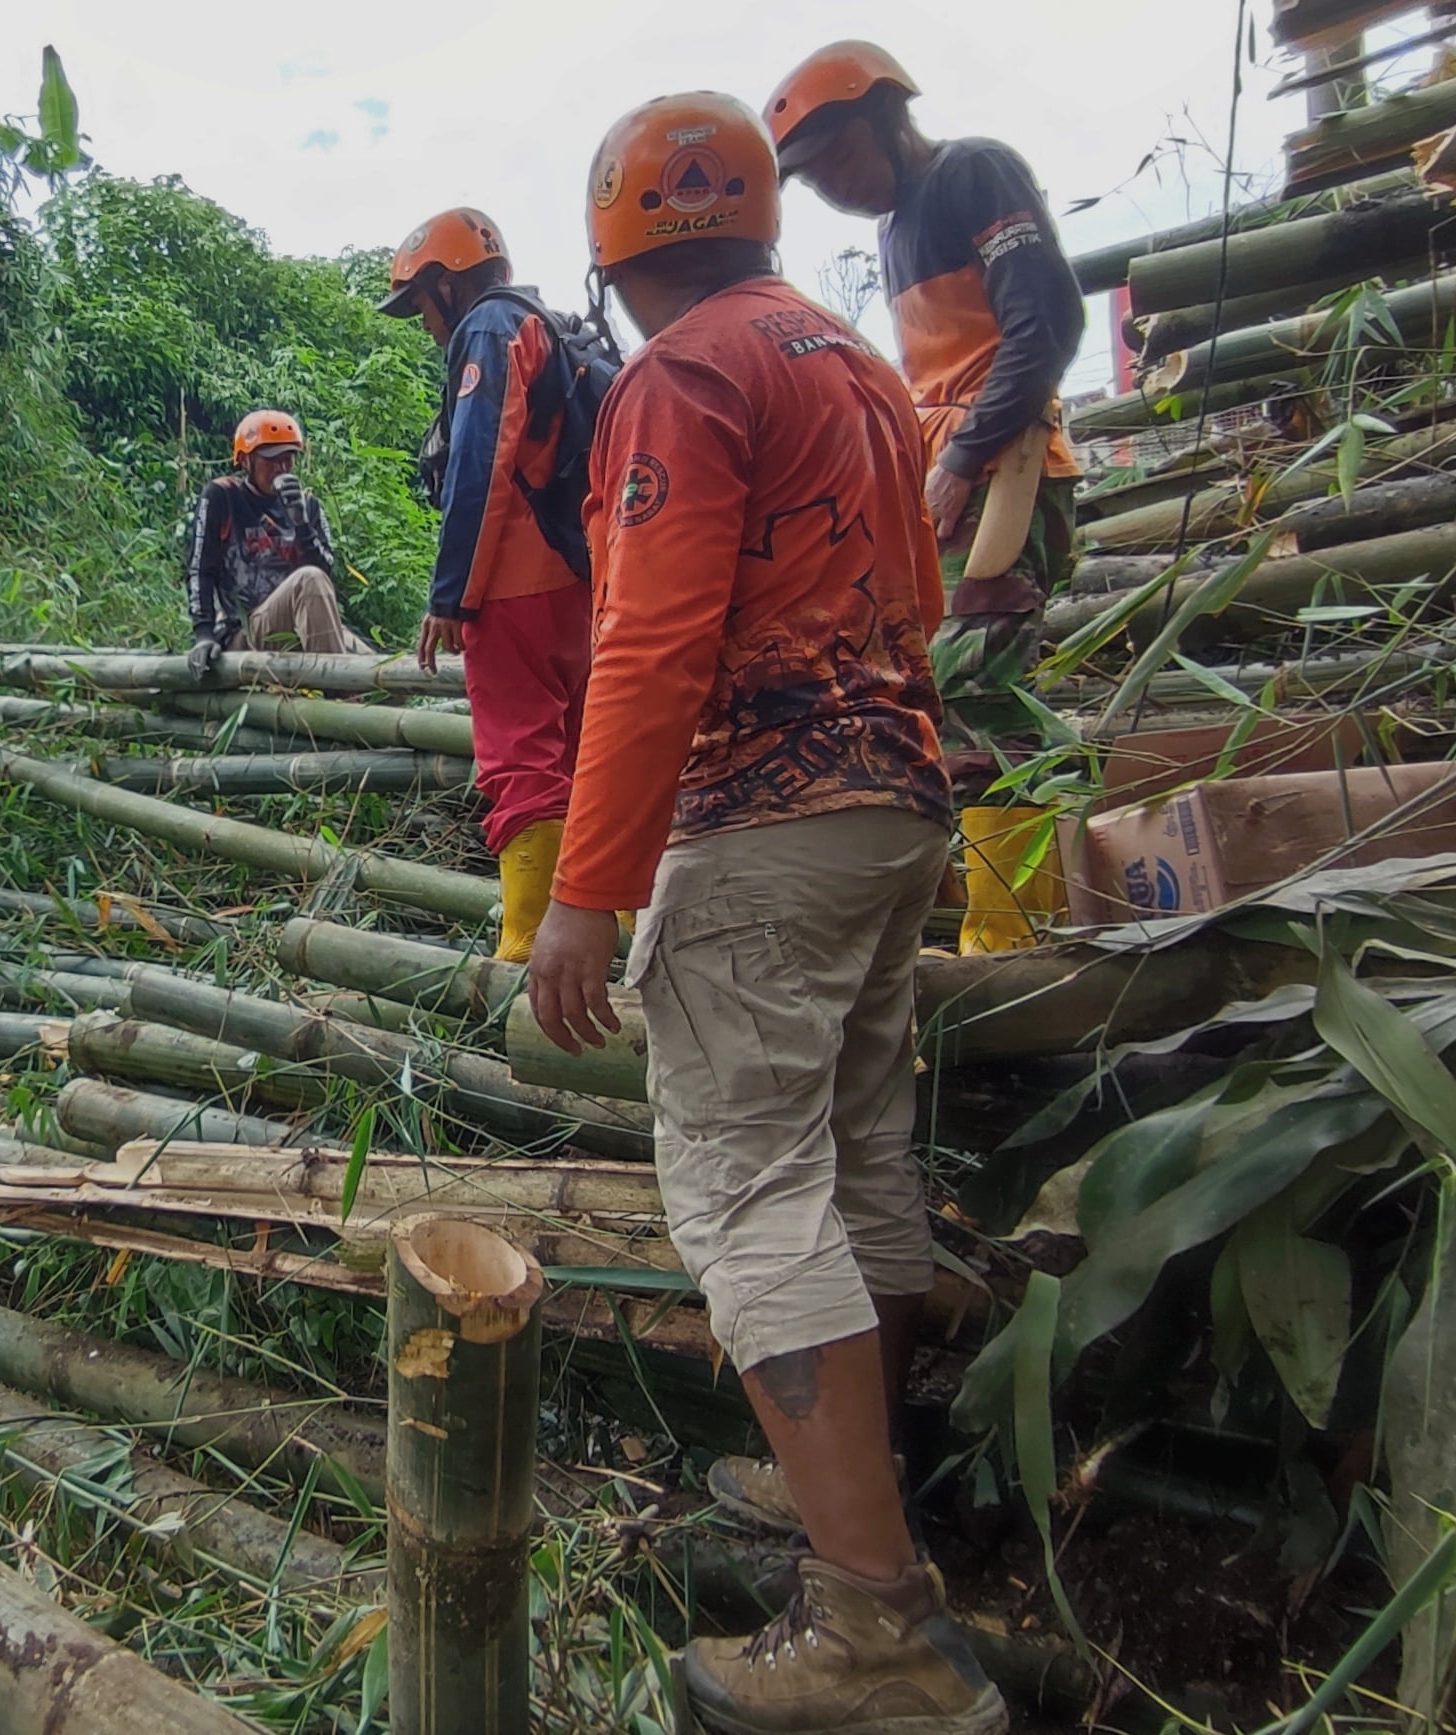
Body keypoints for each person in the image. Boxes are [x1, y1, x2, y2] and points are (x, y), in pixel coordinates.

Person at [528, 92, 1003, 1735]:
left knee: (744, 1194)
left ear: (613, 251)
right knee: (859, 1166)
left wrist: (585, 892)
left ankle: (871, 1631)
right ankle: (870, 1525)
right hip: (897, 804)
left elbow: (647, 648)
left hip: (770, 820)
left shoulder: (679, 372)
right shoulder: (849, 360)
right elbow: (922, 596)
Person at [770, 40, 1087, 954]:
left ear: (883, 120)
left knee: (979, 692)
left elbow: (1045, 323)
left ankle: (1013, 934)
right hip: (946, 482)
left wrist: (963, 459)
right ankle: (978, 901)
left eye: (839, 161)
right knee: (932, 696)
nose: (835, 188)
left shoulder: (968, 173)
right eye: (815, 181)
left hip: (1008, 474)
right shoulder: (894, 223)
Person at [379, 206, 615, 961]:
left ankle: (525, 942)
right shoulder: (550, 322)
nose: (423, 325)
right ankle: (619, 926)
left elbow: (479, 463)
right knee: (583, 754)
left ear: (444, 285)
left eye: (419, 305)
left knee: (518, 756)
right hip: (580, 577)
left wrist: (451, 596)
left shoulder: (487, 327)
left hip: (512, 582)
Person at [183, 409, 371, 673]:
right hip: (246, 629)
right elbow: (200, 568)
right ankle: (336, 692)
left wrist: (301, 525)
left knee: (387, 679)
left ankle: (342, 689)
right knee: (309, 579)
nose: (281, 468)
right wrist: (203, 633)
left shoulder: (308, 504)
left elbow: (328, 574)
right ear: (246, 460)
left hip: (306, 626)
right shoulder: (223, 496)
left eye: (287, 458)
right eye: (271, 460)